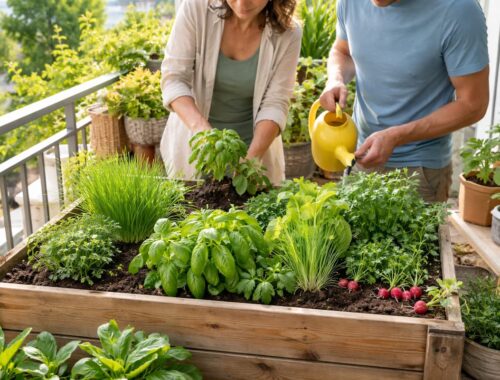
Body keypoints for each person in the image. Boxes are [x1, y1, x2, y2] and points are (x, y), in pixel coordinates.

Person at [319, 0, 489, 202]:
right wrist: (335, 78)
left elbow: (473, 104)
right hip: (360, 160)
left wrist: (398, 136)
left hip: (419, 172)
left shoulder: (459, 10)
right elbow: (342, 51)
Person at [160, 0, 301, 185]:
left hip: (254, 148)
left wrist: (250, 162)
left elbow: (275, 102)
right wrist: (202, 133)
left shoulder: (289, 33)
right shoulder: (196, 8)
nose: (242, 3)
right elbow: (174, 79)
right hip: (195, 144)